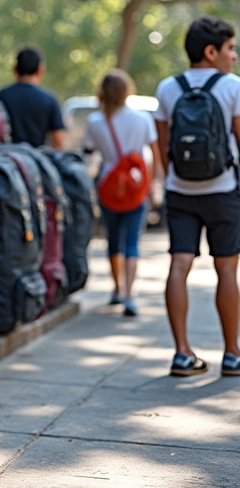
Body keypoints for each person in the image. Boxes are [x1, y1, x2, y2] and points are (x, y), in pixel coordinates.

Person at [155, 16, 240, 378]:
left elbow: (162, 146)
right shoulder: (232, 86)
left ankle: (182, 353)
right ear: (211, 51)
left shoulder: (167, 88)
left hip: (180, 191)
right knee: (226, 270)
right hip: (223, 191)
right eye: (230, 48)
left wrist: (175, 177)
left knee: (179, 265)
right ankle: (233, 355)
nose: (233, 56)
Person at [85, 69, 159, 317]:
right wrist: (153, 183)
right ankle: (129, 293)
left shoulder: (96, 121)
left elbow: (89, 151)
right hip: (136, 187)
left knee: (113, 241)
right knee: (132, 242)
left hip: (108, 186)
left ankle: (117, 288)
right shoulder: (142, 119)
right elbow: (153, 154)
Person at [0, 47, 65, 148]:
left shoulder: (0, 97)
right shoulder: (49, 100)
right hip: (37, 158)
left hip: (6, 159)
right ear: (40, 70)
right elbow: (58, 140)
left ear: (15, 69)